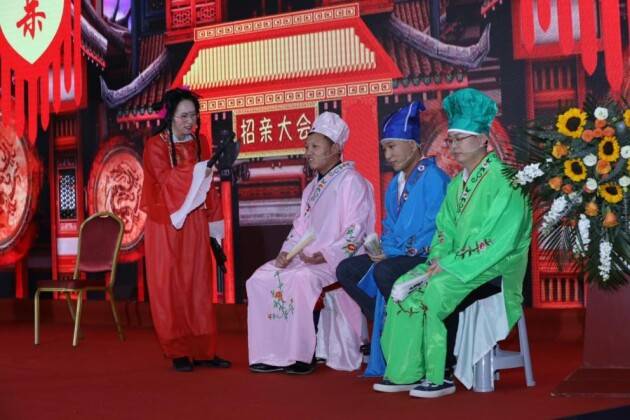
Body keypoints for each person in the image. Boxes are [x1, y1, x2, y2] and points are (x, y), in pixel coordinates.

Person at [374, 88, 532, 398]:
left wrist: (447, 264)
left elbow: (500, 240)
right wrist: (437, 259)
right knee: (403, 288)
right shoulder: (458, 182)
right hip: (455, 264)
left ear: (483, 140)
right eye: (451, 140)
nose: (453, 146)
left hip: (493, 267)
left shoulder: (506, 180)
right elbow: (443, 230)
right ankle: (405, 371)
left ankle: (438, 375)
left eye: (460, 139)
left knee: (433, 291)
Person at [246, 112, 376, 375]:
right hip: (306, 259)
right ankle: (272, 353)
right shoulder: (311, 189)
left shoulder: (352, 181)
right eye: (307, 147)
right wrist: (286, 253)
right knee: (261, 277)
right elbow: (299, 229)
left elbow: (357, 229)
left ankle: (302, 354)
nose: (308, 153)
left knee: (302, 279)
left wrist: (326, 254)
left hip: (336, 261)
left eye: (315, 147)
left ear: (335, 148)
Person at [335, 101, 449, 375]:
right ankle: (386, 321)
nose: (387, 154)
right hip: (394, 254)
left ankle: (400, 329)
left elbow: (437, 227)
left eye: (391, 146)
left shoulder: (434, 177)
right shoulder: (395, 185)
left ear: (412, 145)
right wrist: (381, 249)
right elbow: (388, 226)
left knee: (384, 271)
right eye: (384, 148)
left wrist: (398, 251)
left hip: (424, 255)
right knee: (346, 269)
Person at [141, 88, 231, 372]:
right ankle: (178, 349)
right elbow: (166, 180)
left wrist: (214, 221)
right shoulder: (155, 146)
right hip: (165, 223)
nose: (189, 122)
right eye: (183, 116)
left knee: (198, 284)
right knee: (170, 287)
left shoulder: (200, 142)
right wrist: (200, 170)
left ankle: (203, 349)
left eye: (193, 116)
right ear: (170, 117)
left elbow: (208, 185)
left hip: (194, 220)